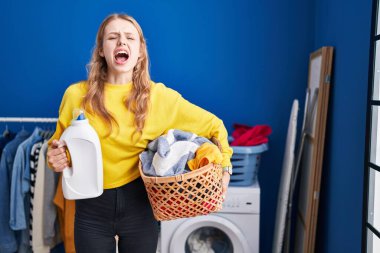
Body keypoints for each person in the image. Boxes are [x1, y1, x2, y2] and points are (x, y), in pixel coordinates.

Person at [46, 13, 233, 253]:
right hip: (90, 210)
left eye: (129, 38)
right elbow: (58, 150)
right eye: (113, 37)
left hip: (140, 208)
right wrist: (56, 158)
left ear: (140, 50)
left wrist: (225, 168)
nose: (121, 42)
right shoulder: (75, 96)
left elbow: (214, 125)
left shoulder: (160, 98)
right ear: (102, 49)